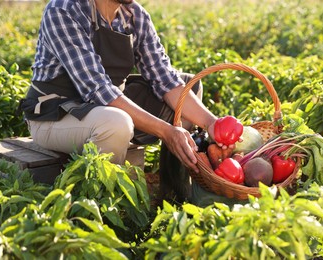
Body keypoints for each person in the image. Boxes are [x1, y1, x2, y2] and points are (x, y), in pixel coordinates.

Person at [20, 0, 235, 201]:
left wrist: (212, 123)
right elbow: (99, 89)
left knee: (190, 87)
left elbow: (166, 80)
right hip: (55, 114)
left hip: (107, 106)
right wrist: (166, 131)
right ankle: (106, 205)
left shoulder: (135, 16)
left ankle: (173, 194)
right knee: (116, 124)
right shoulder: (64, 10)